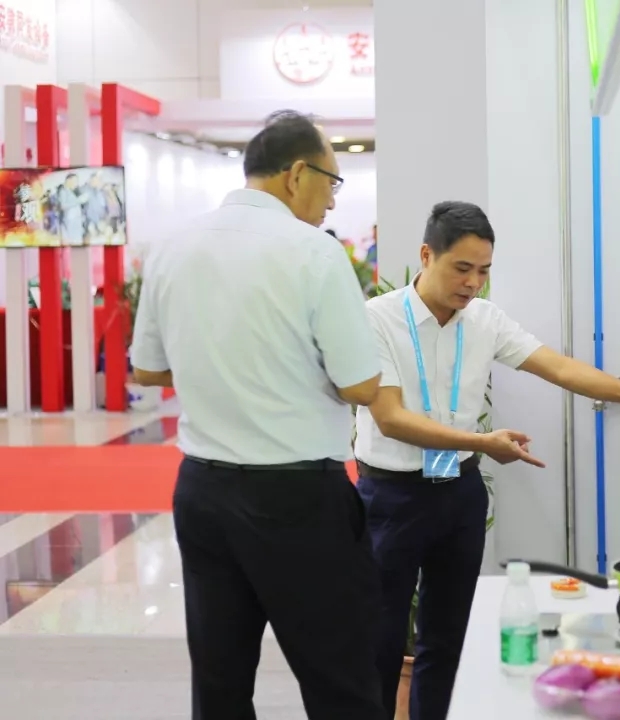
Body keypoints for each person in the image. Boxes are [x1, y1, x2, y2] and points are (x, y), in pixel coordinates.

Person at [354, 201, 620, 720]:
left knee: (448, 639)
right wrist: (482, 442)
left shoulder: (485, 320)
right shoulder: (377, 319)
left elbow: (558, 367)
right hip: (392, 497)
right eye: (462, 268)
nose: (473, 283)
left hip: (459, 495)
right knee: (380, 639)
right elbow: (389, 418)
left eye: (483, 271)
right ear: (426, 255)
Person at [130, 110, 387, 720]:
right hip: (298, 498)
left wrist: (220, 365)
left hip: (203, 493)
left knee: (219, 685)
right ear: (297, 174)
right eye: (331, 181)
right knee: (341, 683)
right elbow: (361, 385)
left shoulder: (173, 247)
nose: (332, 200)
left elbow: (147, 369)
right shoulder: (313, 252)